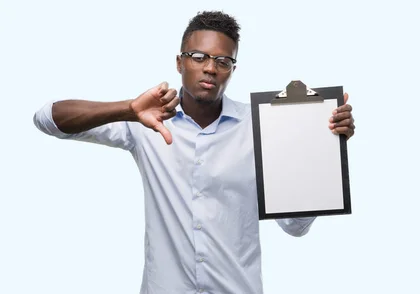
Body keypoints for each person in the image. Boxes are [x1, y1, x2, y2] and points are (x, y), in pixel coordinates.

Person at [33, 10, 355, 294]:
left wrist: (320, 148)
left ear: (232, 69)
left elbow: (295, 226)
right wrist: (128, 109)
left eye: (222, 61)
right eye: (198, 57)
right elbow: (48, 118)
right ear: (179, 62)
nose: (210, 68)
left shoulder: (259, 128)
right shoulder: (146, 123)